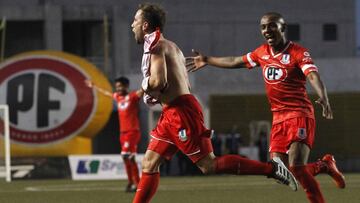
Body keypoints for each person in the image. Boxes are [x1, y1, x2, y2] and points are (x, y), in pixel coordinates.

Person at [131, 4, 298, 203]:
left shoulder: (157, 46)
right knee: (149, 163)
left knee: (208, 165)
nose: (132, 25)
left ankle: (272, 169)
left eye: (135, 21)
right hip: (172, 112)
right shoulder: (169, 45)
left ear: (145, 25)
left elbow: (159, 82)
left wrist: (143, 85)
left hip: (180, 112)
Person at [186, 12, 346, 203]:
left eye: (271, 25)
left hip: (299, 114)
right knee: (282, 172)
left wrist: (323, 96)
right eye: (263, 27)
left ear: (282, 28)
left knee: (297, 167)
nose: (266, 30)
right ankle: (324, 165)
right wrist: (207, 60)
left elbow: (312, 76)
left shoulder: (298, 52)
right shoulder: (261, 52)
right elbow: (235, 61)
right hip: (278, 118)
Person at [85, 77, 143, 192]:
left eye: (120, 86)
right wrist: (94, 87)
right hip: (123, 133)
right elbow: (107, 93)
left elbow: (142, 90)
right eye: (117, 87)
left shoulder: (132, 97)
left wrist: (151, 79)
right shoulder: (118, 97)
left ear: (126, 86)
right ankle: (132, 183)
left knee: (128, 155)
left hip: (132, 132)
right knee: (127, 158)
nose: (118, 89)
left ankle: (137, 184)